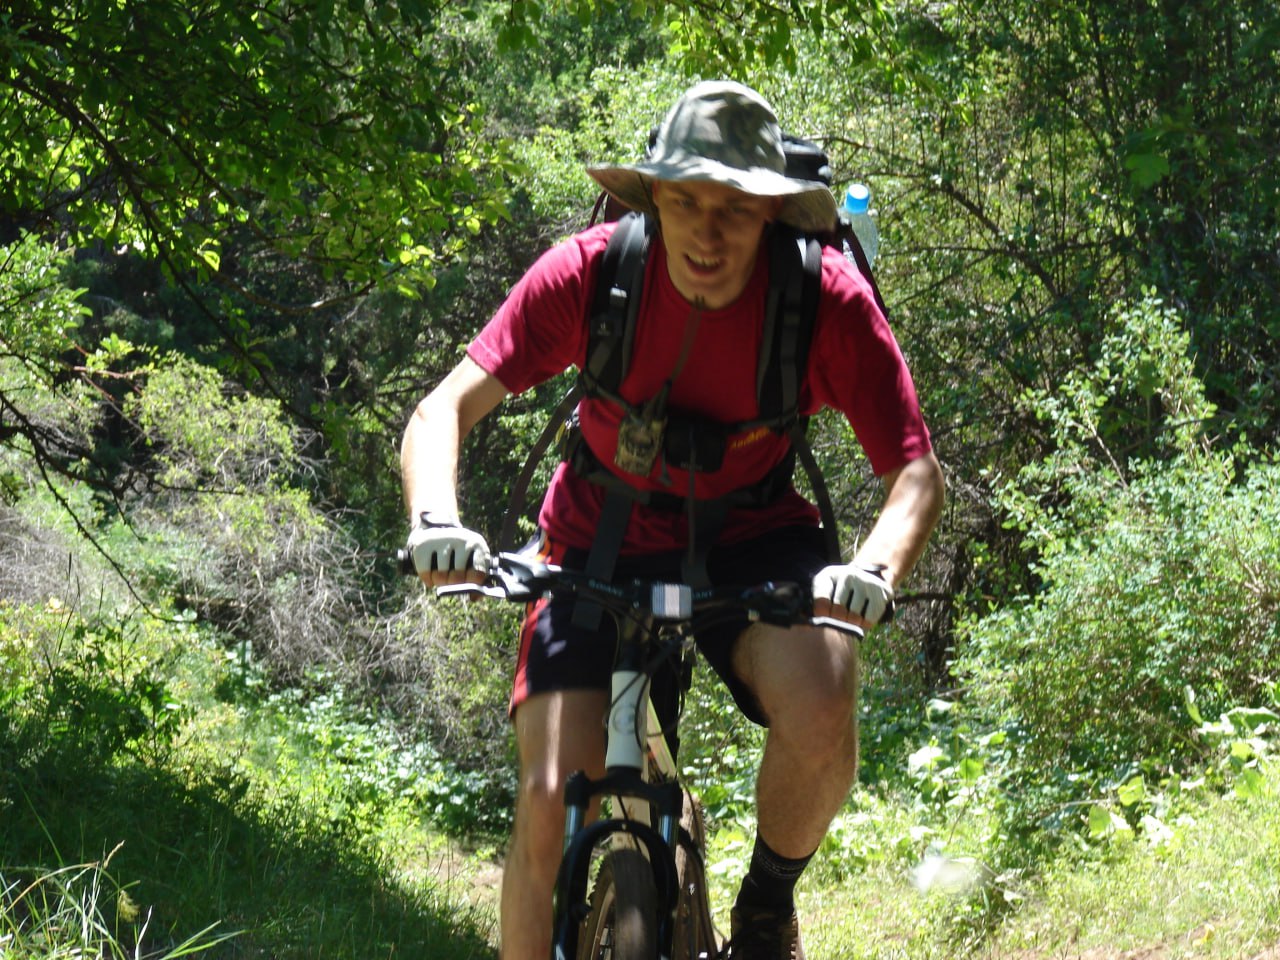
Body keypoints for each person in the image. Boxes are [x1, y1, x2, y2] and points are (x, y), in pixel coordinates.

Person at [400, 80, 944, 960]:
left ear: (773, 212)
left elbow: (915, 472)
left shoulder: (823, 302)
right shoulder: (590, 273)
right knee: (546, 797)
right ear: (653, 196)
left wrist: (875, 568)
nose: (707, 232)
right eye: (686, 201)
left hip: (754, 535)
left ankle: (766, 906)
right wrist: (435, 519)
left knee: (822, 696)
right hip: (596, 537)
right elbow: (443, 411)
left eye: (735, 207)